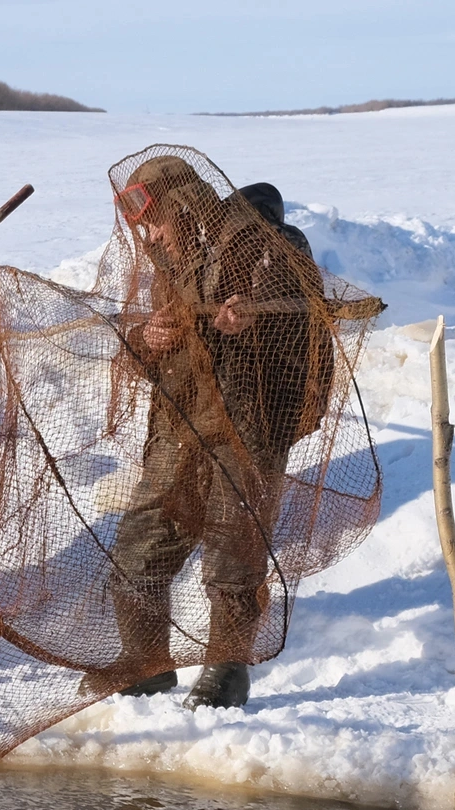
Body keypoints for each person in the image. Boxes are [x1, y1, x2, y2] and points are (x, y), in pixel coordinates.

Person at [102, 154, 333, 709]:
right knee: (137, 552)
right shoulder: (171, 264)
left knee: (235, 557)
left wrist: (253, 317)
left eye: (155, 219)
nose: (150, 234)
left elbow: (301, 304)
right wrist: (148, 337)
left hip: (246, 430)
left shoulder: (262, 249)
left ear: (182, 206)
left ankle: (226, 674)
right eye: (144, 227)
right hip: (179, 429)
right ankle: (148, 665)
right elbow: (152, 341)